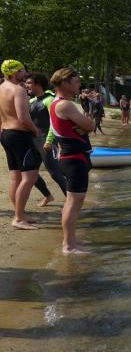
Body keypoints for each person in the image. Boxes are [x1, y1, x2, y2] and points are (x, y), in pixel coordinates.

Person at [49, 68, 95, 254]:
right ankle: (68, 245)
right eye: (76, 82)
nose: (79, 85)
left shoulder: (58, 103)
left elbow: (86, 126)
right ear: (64, 83)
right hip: (73, 159)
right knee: (73, 202)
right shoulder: (64, 105)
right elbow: (90, 125)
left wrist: (85, 126)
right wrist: (86, 125)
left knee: (74, 201)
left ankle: (71, 241)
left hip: (73, 158)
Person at [0, 60, 42, 230]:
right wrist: (35, 130)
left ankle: (20, 213)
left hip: (6, 134)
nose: (25, 74)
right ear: (13, 73)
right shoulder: (18, 90)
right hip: (19, 135)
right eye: (22, 71)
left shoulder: (1, 88)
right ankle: (18, 218)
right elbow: (23, 117)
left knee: (15, 177)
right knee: (30, 177)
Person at [26, 72, 67, 205]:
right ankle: (48, 196)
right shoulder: (31, 101)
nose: (26, 85)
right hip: (33, 141)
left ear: (38, 84)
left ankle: (71, 200)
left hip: (47, 140)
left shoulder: (49, 100)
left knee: (55, 173)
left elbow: (55, 122)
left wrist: (49, 141)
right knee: (30, 173)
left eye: (29, 83)